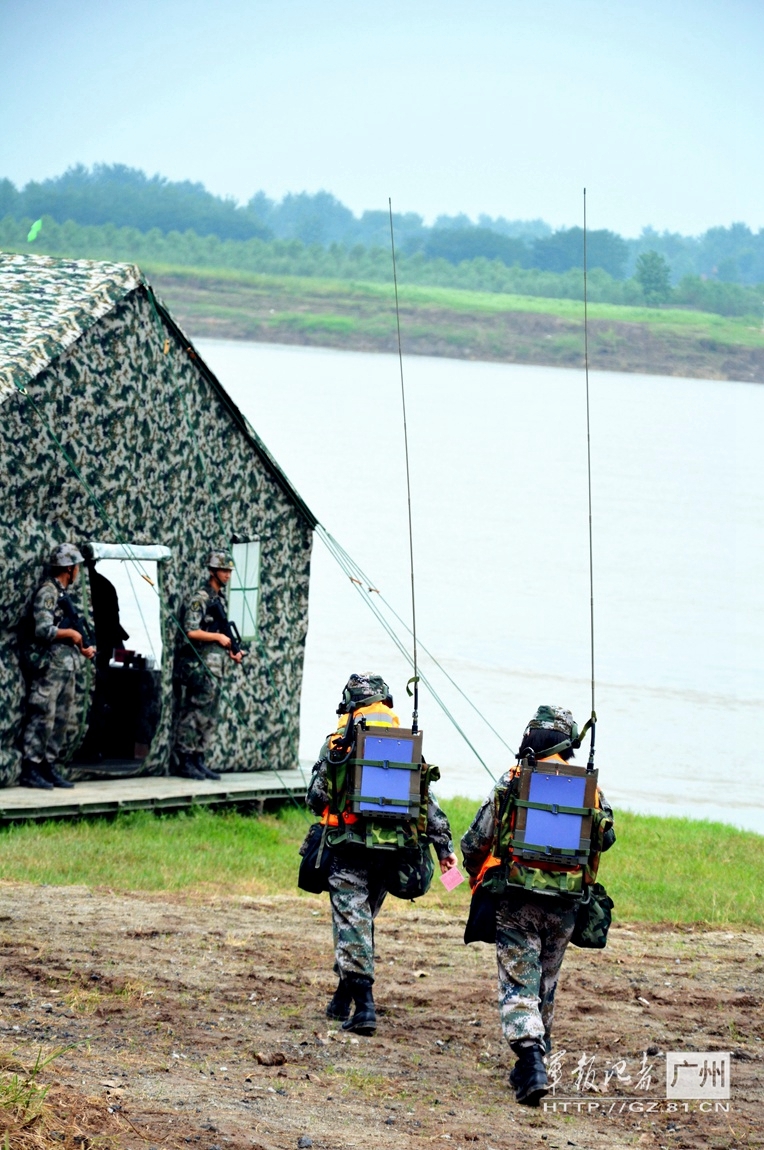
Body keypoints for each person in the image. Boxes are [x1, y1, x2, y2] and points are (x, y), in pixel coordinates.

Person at [461, 706, 616, 1107]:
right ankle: (535, 1060)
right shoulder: (590, 789)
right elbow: (608, 836)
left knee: (518, 981)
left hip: (517, 899)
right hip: (566, 904)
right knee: (545, 982)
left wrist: (473, 869)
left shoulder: (513, 780)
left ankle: (530, 1061)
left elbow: (476, 836)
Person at [304, 672, 458, 1035]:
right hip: (391, 853)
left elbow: (315, 797)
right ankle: (343, 996)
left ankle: (365, 1008)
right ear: (385, 703)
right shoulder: (406, 748)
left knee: (351, 921)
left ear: (350, 703)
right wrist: (446, 854)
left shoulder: (337, 745)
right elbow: (430, 809)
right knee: (361, 920)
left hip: (349, 850)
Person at [19, 543, 96, 789]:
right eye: (77, 568)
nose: (78, 573)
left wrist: (81, 645)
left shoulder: (63, 594)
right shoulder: (48, 592)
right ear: (70, 568)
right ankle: (31, 767)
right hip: (51, 667)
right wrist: (70, 634)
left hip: (66, 667)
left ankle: (48, 766)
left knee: (61, 719)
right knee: (44, 716)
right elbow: (42, 629)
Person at [172, 550, 243, 781]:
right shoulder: (200, 598)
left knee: (210, 715)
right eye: (224, 570)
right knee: (194, 712)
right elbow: (191, 630)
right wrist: (218, 639)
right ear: (212, 571)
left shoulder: (219, 599)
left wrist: (231, 649)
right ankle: (184, 759)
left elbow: (220, 631)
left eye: (229, 571)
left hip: (214, 667)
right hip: (199, 666)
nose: (227, 575)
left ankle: (198, 757)